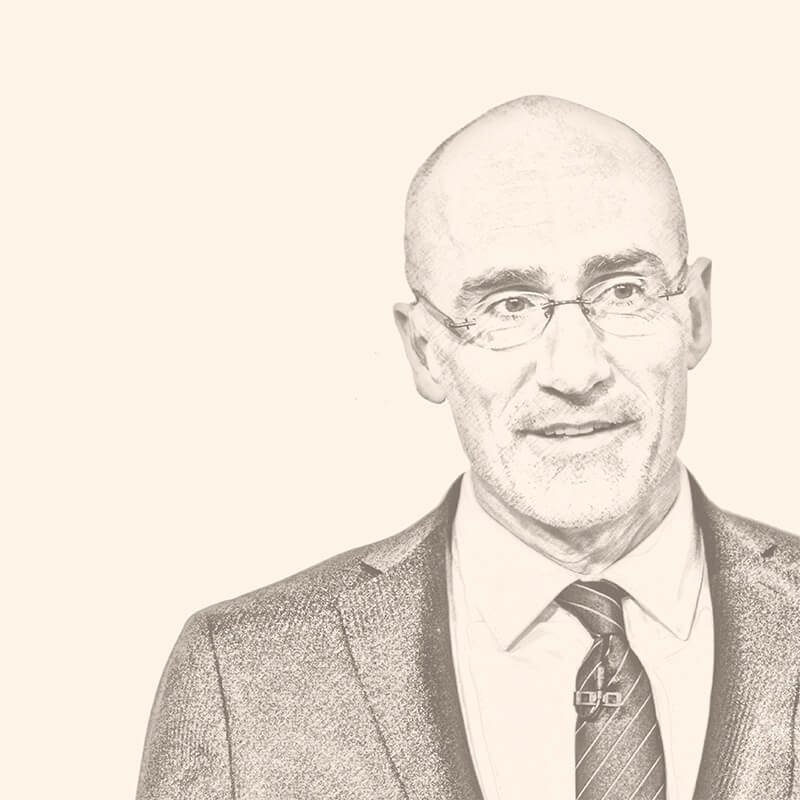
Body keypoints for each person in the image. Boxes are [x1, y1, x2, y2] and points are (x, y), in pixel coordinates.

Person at [136, 96, 800, 800]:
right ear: (426, 352)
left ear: (695, 314)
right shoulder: (242, 678)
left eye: (622, 290)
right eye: (507, 305)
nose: (576, 371)